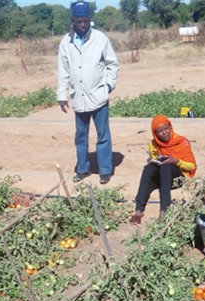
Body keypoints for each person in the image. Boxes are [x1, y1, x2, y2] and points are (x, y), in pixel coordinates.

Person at [57, 1, 119, 185]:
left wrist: (108, 86)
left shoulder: (100, 39)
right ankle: (82, 169)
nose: (82, 25)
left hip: (99, 96)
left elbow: (112, 64)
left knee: (103, 135)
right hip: (79, 97)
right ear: (73, 21)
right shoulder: (65, 42)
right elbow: (63, 70)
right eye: (79, 21)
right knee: (81, 136)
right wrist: (62, 95)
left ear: (89, 20)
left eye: (85, 21)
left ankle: (105, 170)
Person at [130, 114, 197, 224]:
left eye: (166, 128)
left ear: (170, 127)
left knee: (166, 167)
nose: (165, 132)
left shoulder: (181, 142)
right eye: (160, 131)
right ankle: (138, 210)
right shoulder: (153, 143)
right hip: (162, 177)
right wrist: (151, 160)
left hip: (177, 178)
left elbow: (192, 166)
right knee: (148, 168)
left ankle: (164, 210)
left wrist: (177, 161)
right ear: (155, 133)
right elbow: (154, 157)